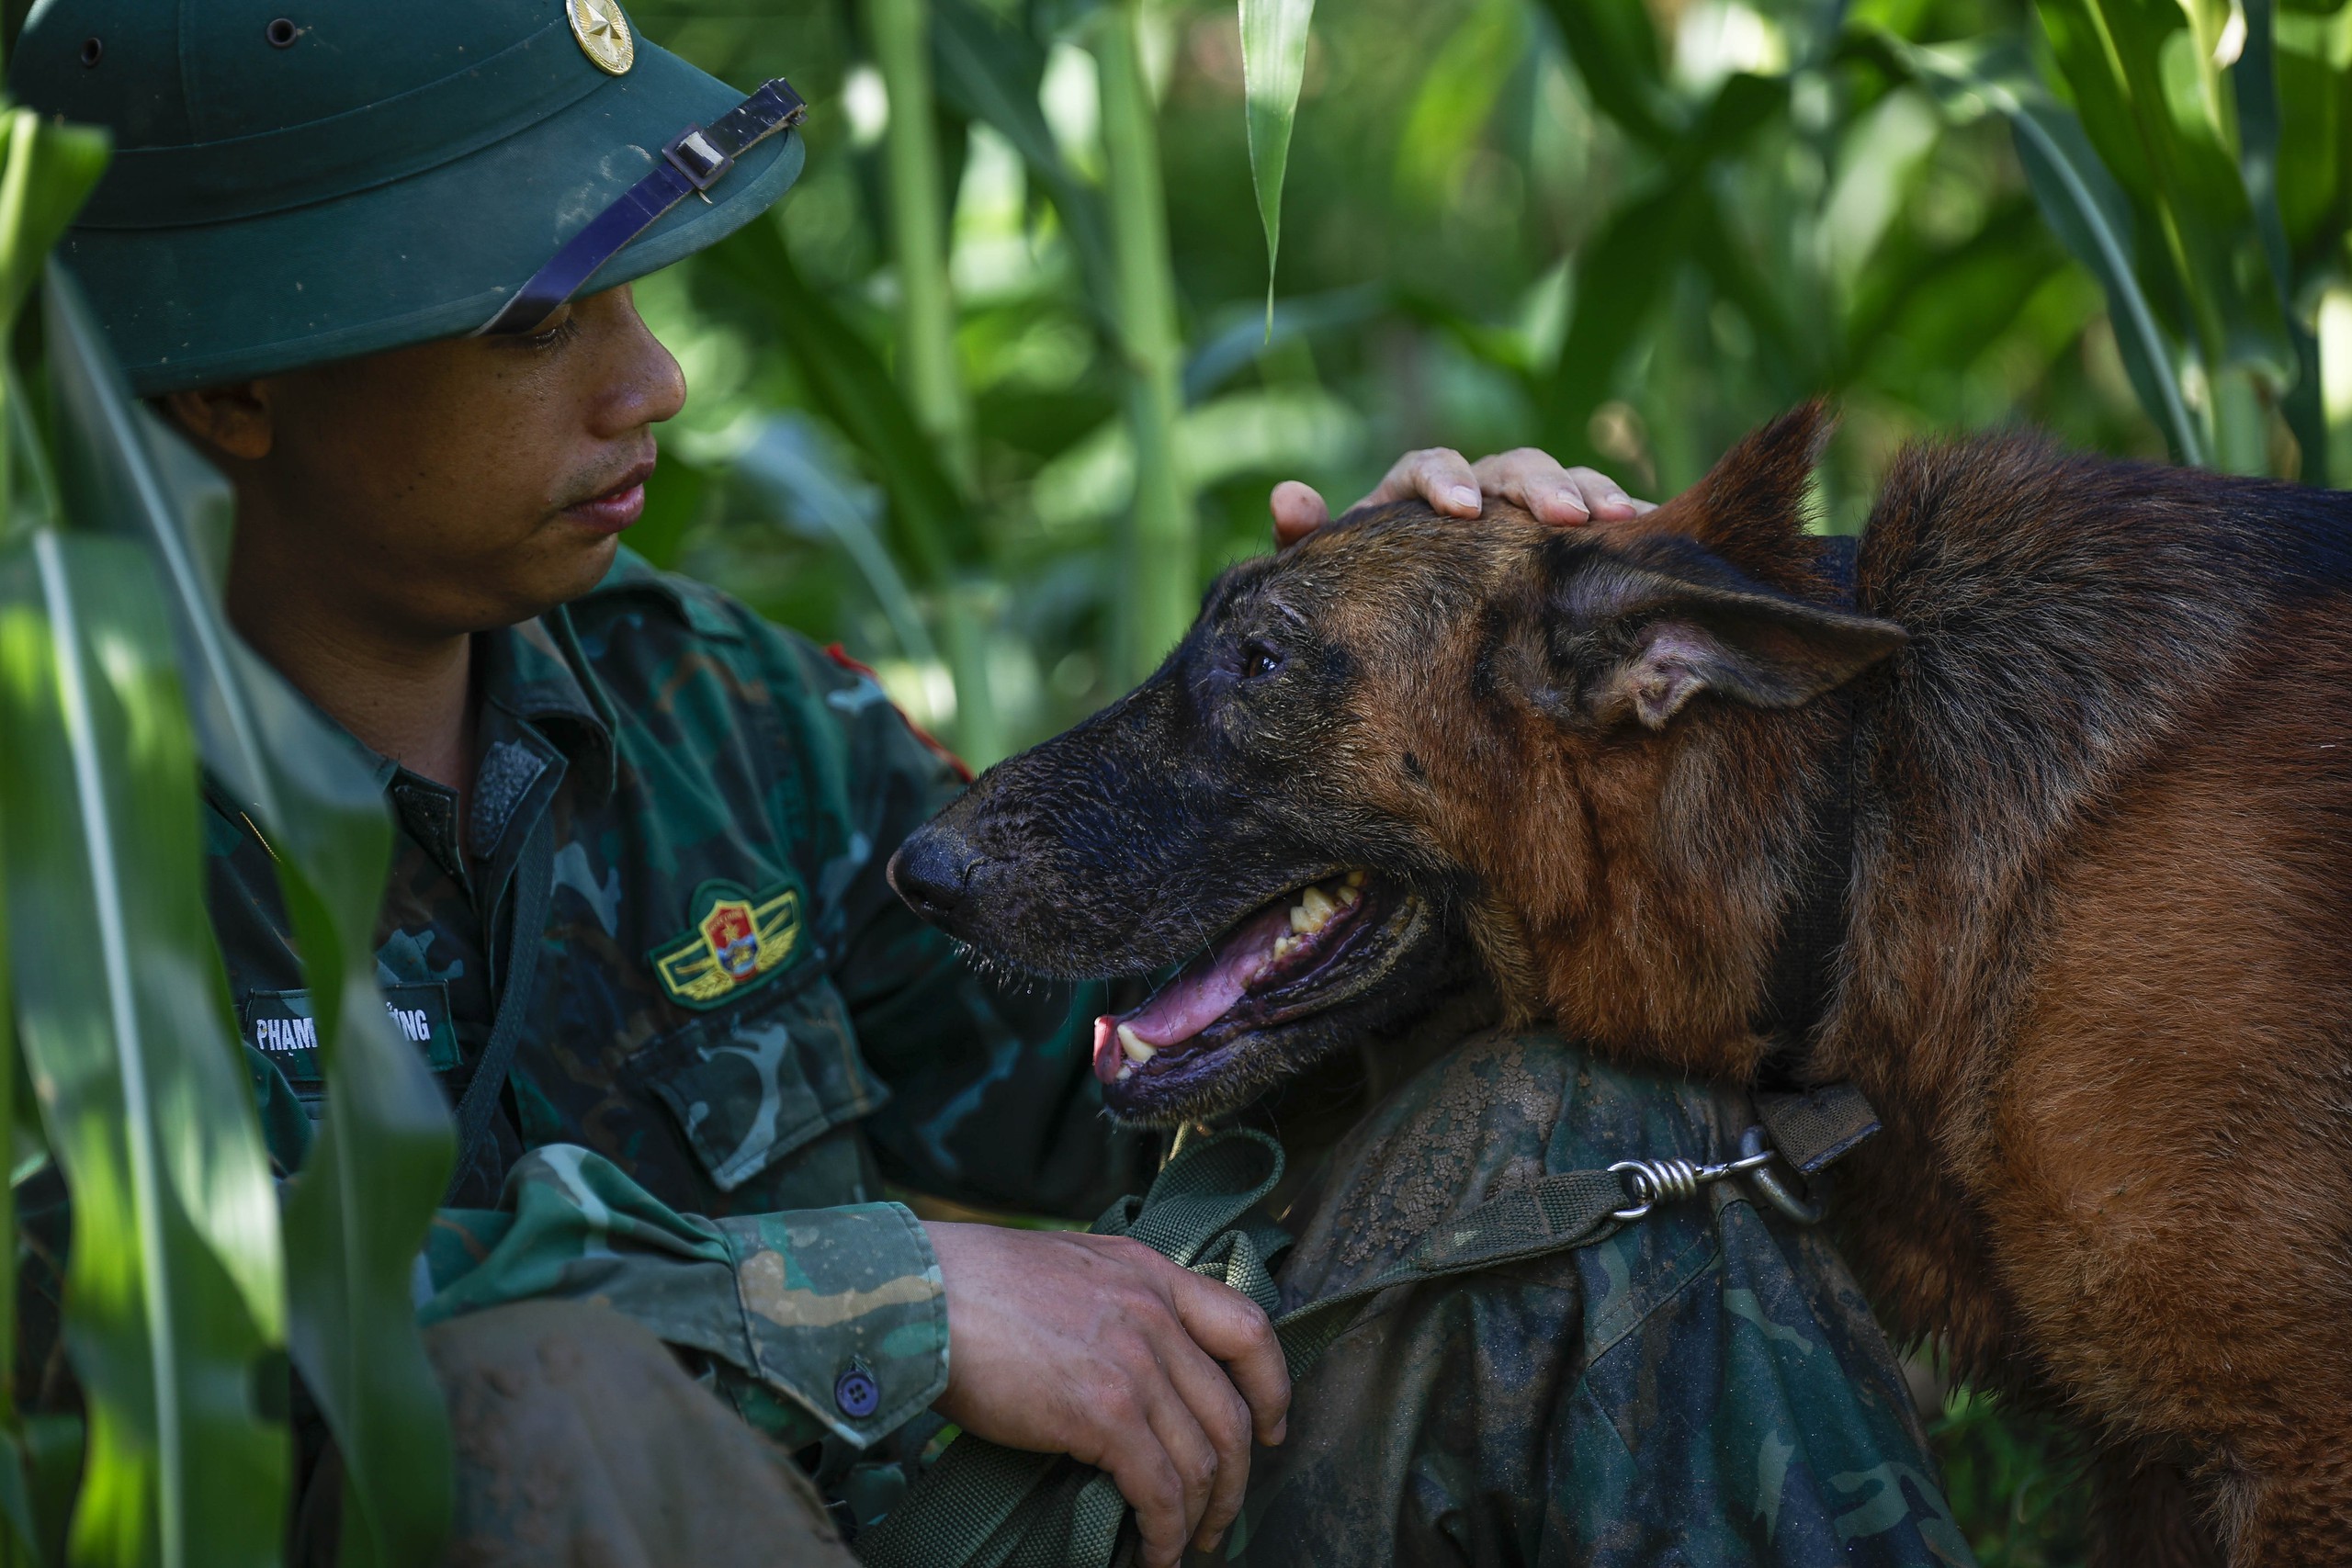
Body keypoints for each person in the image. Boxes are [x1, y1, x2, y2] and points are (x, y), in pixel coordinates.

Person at [10, 4, 1650, 1564]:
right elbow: (131, 1320)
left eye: (637, 296)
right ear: (236, 386)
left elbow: (1120, 1064)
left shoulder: (722, 719)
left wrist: (1388, 695)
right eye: (540, 321)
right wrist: (877, 1296)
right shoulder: (58, 823)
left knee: (1572, 1136)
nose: (653, 382)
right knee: (538, 1399)